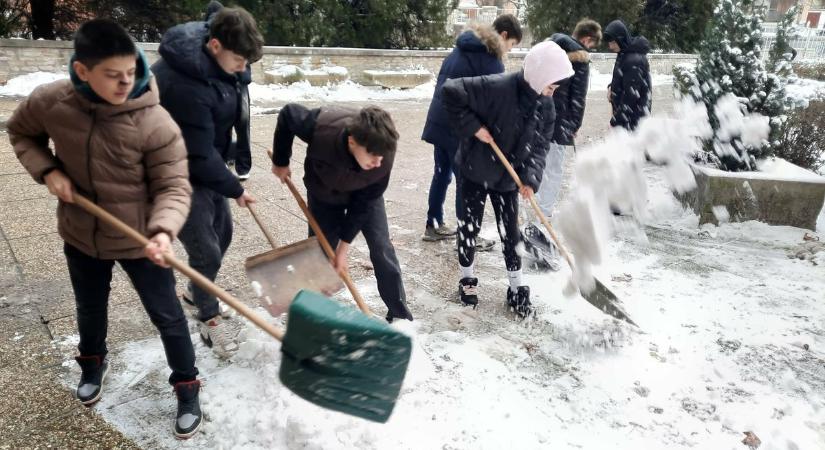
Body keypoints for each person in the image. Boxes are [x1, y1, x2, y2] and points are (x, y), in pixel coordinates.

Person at [7, 19, 203, 438]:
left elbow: (174, 186)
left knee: (168, 316)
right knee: (90, 307)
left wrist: (164, 230)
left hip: (141, 240)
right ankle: (92, 362)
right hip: (81, 232)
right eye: (113, 75)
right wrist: (48, 170)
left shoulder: (154, 122)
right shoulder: (52, 102)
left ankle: (187, 383)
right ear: (82, 71)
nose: (125, 83)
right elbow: (21, 132)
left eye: (131, 72)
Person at [152, 5, 263, 357]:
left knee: (222, 235)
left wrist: (234, 152)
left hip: (205, 160)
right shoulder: (184, 84)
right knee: (206, 251)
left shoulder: (220, 65)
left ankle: (195, 292)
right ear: (215, 45)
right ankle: (208, 316)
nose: (243, 69)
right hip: (175, 171)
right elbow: (197, 153)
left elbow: (214, 129)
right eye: (239, 60)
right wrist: (236, 188)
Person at [442, 41, 573, 318]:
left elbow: (540, 146)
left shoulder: (546, 106)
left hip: (507, 178)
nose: (551, 93)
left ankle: (516, 288)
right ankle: (467, 279)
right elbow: (451, 91)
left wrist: (530, 179)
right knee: (469, 228)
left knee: (510, 234)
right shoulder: (497, 86)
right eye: (550, 86)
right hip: (475, 170)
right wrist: (474, 127)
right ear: (538, 76)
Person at [271, 105, 413, 323]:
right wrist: (281, 161)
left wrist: (343, 249)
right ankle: (314, 315)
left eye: (381, 157)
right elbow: (288, 114)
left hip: (365, 195)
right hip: (324, 193)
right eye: (372, 155)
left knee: (381, 246)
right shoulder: (321, 128)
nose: (378, 162)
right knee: (320, 254)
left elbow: (362, 206)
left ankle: (399, 313)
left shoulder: (383, 151)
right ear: (352, 141)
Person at [421, 14, 523, 251]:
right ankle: (467, 236)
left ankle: (433, 224)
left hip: (439, 122)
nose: (510, 50)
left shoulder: (460, 49)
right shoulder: (490, 60)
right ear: (504, 35)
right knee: (465, 182)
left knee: (442, 174)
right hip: (457, 127)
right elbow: (491, 104)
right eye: (511, 44)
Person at [523, 19, 602, 271]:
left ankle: (532, 214)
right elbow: (578, 97)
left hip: (538, 117)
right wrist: (574, 125)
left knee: (537, 164)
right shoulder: (580, 60)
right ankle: (542, 220)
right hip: (560, 123)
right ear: (587, 39)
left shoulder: (550, 50)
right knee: (554, 170)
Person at [604, 20, 652, 131]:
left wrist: (615, 121)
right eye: (609, 43)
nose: (610, 46)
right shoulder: (624, 53)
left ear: (620, 39)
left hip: (633, 121)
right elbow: (624, 78)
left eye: (613, 42)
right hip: (627, 119)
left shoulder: (634, 59)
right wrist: (611, 87)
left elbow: (631, 97)